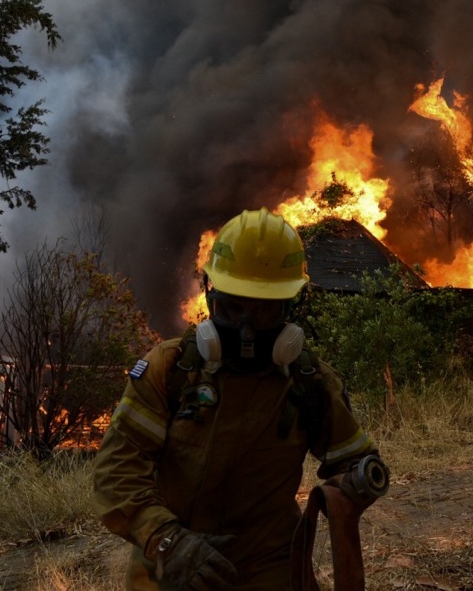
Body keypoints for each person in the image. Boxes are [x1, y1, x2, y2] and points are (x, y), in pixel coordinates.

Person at [93, 208, 387, 590]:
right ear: (211, 295)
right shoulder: (169, 370)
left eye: (265, 310)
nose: (247, 328)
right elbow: (117, 471)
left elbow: (353, 460)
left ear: (289, 307)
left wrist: (359, 480)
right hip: (172, 566)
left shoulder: (309, 381)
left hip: (269, 567)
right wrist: (168, 541)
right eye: (234, 307)